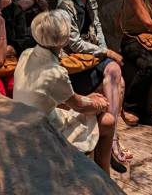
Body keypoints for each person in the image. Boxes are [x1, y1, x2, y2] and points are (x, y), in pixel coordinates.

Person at [57, 0, 137, 169]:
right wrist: (105, 51)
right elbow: (73, 43)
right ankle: (112, 142)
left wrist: (103, 52)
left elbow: (98, 27)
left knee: (114, 70)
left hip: (93, 58)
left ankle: (113, 140)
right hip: (77, 64)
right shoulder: (65, 6)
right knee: (117, 81)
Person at [13, 10, 116, 174]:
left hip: (24, 124)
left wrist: (87, 99)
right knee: (108, 120)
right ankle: (104, 177)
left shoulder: (26, 54)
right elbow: (80, 106)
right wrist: (99, 103)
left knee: (92, 112)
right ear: (63, 37)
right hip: (43, 134)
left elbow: (53, 97)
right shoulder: (55, 72)